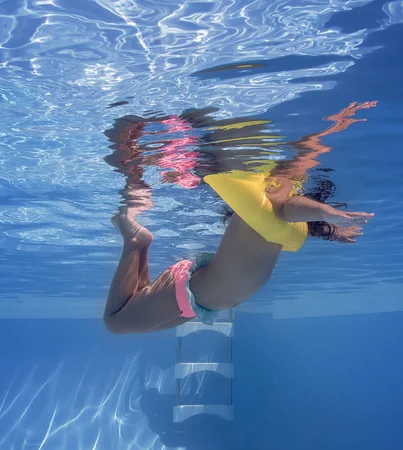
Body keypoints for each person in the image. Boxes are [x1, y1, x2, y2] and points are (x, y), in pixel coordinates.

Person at [103, 102, 376, 334]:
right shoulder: (271, 204)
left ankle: (137, 242)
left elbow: (294, 210)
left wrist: (331, 227)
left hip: (202, 299)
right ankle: (135, 241)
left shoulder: (272, 207)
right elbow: (290, 207)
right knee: (116, 322)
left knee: (126, 316)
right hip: (197, 297)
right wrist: (331, 217)